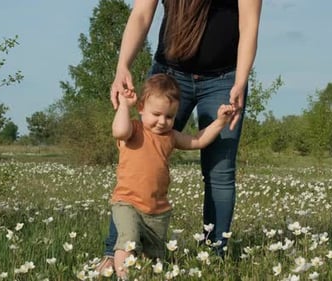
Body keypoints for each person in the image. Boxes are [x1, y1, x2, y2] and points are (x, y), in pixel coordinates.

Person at [97, 0, 263, 272]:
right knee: (139, 161)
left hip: (224, 80)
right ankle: (112, 252)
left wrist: (241, 81)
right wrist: (122, 65)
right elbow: (141, 14)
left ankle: (213, 257)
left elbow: (249, 25)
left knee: (220, 174)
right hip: (169, 75)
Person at [109, 73, 234, 279]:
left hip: (158, 210)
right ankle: (124, 277)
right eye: (156, 114)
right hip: (127, 202)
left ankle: (146, 276)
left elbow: (197, 141)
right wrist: (124, 105)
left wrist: (220, 122)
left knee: (154, 256)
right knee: (127, 240)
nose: (162, 121)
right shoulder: (134, 129)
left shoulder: (170, 136)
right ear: (141, 108)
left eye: (169, 116)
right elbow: (119, 131)